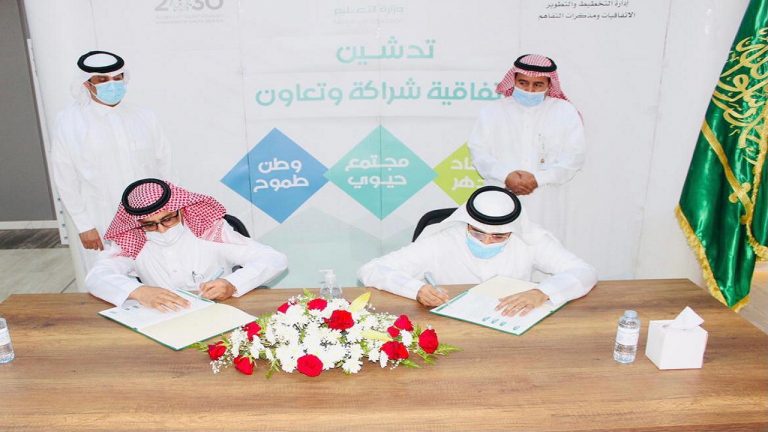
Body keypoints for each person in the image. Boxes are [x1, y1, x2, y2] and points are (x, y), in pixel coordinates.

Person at [358, 186, 597, 316]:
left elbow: (584, 272)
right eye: (478, 233)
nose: (487, 241)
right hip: (451, 331)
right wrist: (417, 290)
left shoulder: (529, 239)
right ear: (467, 224)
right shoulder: (442, 240)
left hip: (511, 326)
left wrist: (542, 292)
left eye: (498, 236)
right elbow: (371, 270)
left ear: (512, 230)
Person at [51, 50, 174, 289]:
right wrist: (84, 226)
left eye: (117, 78)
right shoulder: (69, 122)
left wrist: (169, 212)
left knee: (158, 281)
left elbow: (165, 165)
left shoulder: (143, 116)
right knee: (110, 285)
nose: (112, 84)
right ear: (87, 83)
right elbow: (65, 178)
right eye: (103, 80)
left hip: (150, 218)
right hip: (101, 219)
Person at [86, 178, 288, 311]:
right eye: (150, 224)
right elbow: (96, 276)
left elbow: (274, 259)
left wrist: (232, 284)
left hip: (219, 314)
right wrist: (139, 292)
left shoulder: (209, 232)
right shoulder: (133, 241)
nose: (161, 229)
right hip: (163, 321)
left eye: (168, 219)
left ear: (181, 210)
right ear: (138, 223)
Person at [468, 54, 585, 242]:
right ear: (513, 80)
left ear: (549, 84)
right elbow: (479, 153)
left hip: (545, 200)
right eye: (523, 83)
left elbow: (574, 157)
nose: (530, 90)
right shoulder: (492, 111)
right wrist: (506, 175)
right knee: (499, 249)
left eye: (538, 85)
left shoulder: (564, 112)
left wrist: (538, 179)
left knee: (545, 250)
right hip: (500, 195)